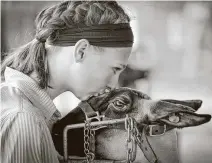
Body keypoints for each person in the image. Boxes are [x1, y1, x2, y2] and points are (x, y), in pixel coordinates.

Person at [1, 1, 133, 163]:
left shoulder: (34, 112)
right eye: (114, 69)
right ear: (81, 51)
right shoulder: (23, 119)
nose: (113, 85)